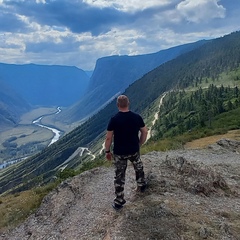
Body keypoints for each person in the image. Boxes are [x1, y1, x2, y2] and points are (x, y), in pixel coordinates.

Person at [104, 94, 148, 210]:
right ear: (128, 103)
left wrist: (107, 151)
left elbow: (108, 138)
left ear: (118, 105)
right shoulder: (136, 117)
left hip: (119, 152)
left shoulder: (114, 119)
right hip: (133, 149)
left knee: (119, 176)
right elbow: (144, 132)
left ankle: (119, 201)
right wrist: (139, 144)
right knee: (138, 166)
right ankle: (142, 184)